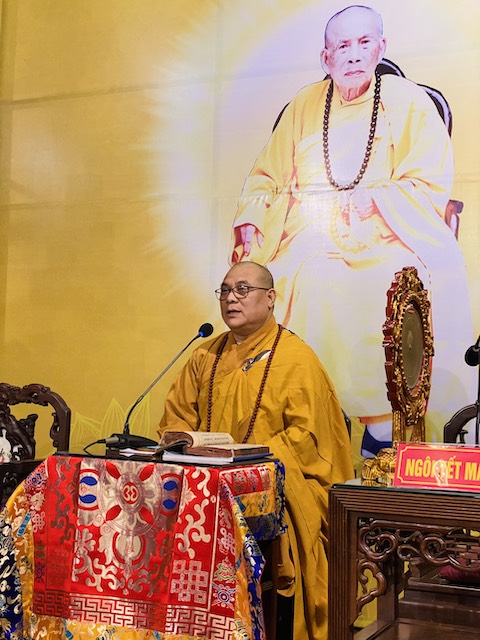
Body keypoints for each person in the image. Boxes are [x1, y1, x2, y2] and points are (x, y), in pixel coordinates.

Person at [230, 5, 475, 457]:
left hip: (389, 235)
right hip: (310, 238)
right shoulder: (304, 105)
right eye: (342, 46)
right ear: (326, 58)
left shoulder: (409, 102)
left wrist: (377, 199)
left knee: (385, 283)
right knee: (289, 280)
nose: (354, 54)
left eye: (364, 43)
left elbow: (427, 183)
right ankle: (303, 420)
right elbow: (266, 177)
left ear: (381, 48)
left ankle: (382, 430)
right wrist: (250, 219)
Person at [158, 261, 354, 640]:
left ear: (270, 298)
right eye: (225, 290)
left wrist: (247, 458)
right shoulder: (204, 355)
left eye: (243, 290)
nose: (231, 298)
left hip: (276, 486)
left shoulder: (297, 359)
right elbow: (176, 420)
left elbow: (308, 439)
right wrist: (190, 445)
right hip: (207, 488)